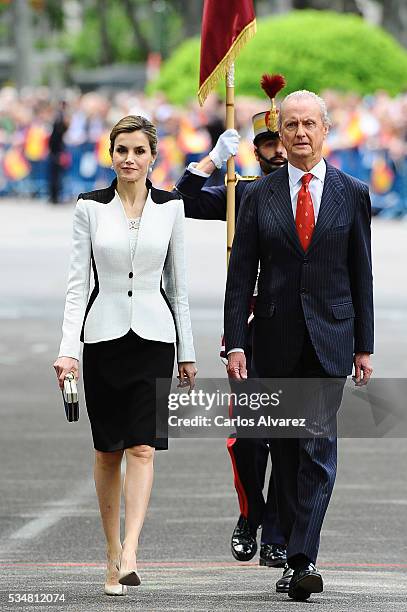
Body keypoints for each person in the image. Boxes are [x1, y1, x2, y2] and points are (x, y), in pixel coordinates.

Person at [224, 90, 374, 601]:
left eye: (310, 123)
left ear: (326, 130)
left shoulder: (352, 192)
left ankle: (303, 558)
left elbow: (361, 274)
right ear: (279, 134)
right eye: (291, 125)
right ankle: (287, 549)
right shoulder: (257, 196)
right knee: (284, 453)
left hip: (331, 336)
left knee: (317, 450)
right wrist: (235, 344)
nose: (301, 133)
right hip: (273, 339)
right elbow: (240, 276)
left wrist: (364, 346)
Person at [53, 115, 197, 596]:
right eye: (122, 151)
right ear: (110, 155)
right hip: (102, 340)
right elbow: (78, 287)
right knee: (107, 449)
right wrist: (67, 353)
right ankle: (111, 551)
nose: (130, 159)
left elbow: (179, 287)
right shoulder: (89, 208)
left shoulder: (172, 208)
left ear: (153, 155)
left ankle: (132, 550)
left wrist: (188, 352)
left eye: (139, 151)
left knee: (143, 447)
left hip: (155, 340)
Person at [175, 75, 289, 577]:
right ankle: (251, 514)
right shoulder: (238, 194)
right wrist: (211, 161)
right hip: (250, 328)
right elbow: (178, 201)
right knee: (247, 437)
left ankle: (281, 536)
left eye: (284, 140)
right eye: (268, 143)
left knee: (292, 437)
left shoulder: (325, 188)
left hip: (303, 328)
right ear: (258, 150)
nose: (278, 151)